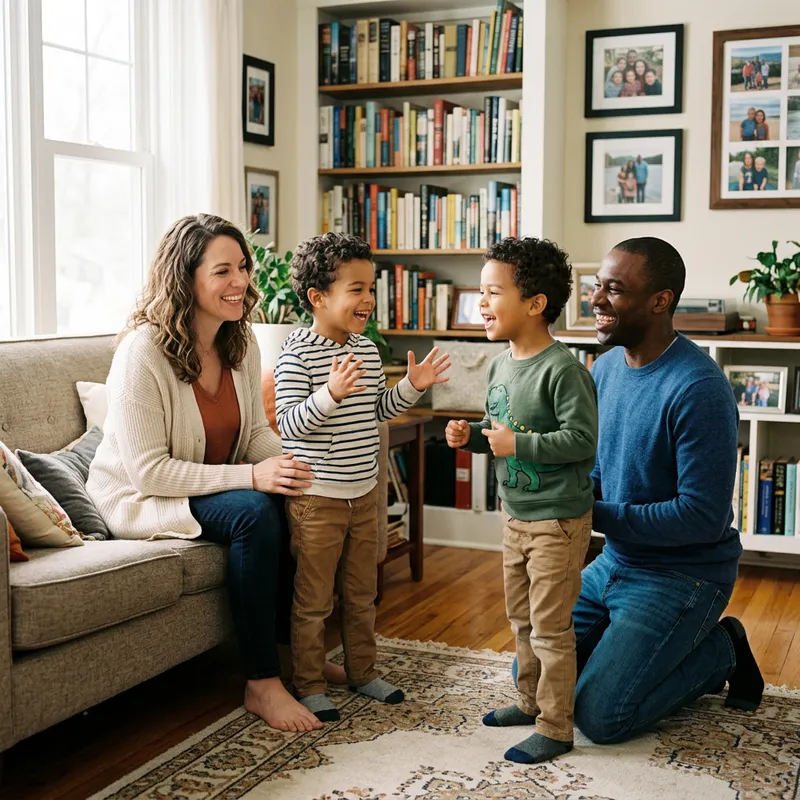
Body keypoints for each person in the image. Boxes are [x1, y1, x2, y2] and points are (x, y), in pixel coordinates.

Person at [86, 214, 345, 734]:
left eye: (243, 268)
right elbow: (149, 473)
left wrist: (293, 465)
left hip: (208, 481)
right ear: (185, 277)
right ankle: (262, 682)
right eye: (223, 271)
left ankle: (300, 656)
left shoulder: (239, 342)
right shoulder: (143, 352)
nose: (241, 282)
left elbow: (252, 436)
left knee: (294, 497)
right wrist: (253, 478)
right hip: (142, 497)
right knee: (255, 510)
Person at [564, 237, 762, 745]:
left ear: (660, 300)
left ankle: (723, 649)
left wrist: (591, 512)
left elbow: (701, 517)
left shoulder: (699, 389)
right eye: (596, 287)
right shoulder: (604, 368)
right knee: (536, 672)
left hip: (683, 574)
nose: (596, 301)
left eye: (614, 290)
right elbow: (601, 472)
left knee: (600, 717)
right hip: (617, 561)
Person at [274, 232, 450, 723]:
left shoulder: (368, 351)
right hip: (318, 500)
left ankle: (362, 671)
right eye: (356, 289)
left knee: (361, 594)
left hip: (364, 494)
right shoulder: (297, 355)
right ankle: (308, 683)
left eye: (370, 288)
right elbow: (289, 423)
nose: (369, 299)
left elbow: (378, 411)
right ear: (318, 297)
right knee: (313, 601)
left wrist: (411, 387)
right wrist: (328, 393)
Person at [445, 237, 598, 764]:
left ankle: (557, 727)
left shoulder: (565, 370)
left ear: (535, 304)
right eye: (481, 292)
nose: (481, 302)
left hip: (558, 521)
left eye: (492, 292)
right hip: (516, 516)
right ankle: (529, 703)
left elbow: (582, 443)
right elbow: (502, 431)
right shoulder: (498, 366)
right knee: (521, 619)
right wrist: (475, 437)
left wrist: (518, 443)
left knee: (553, 627)